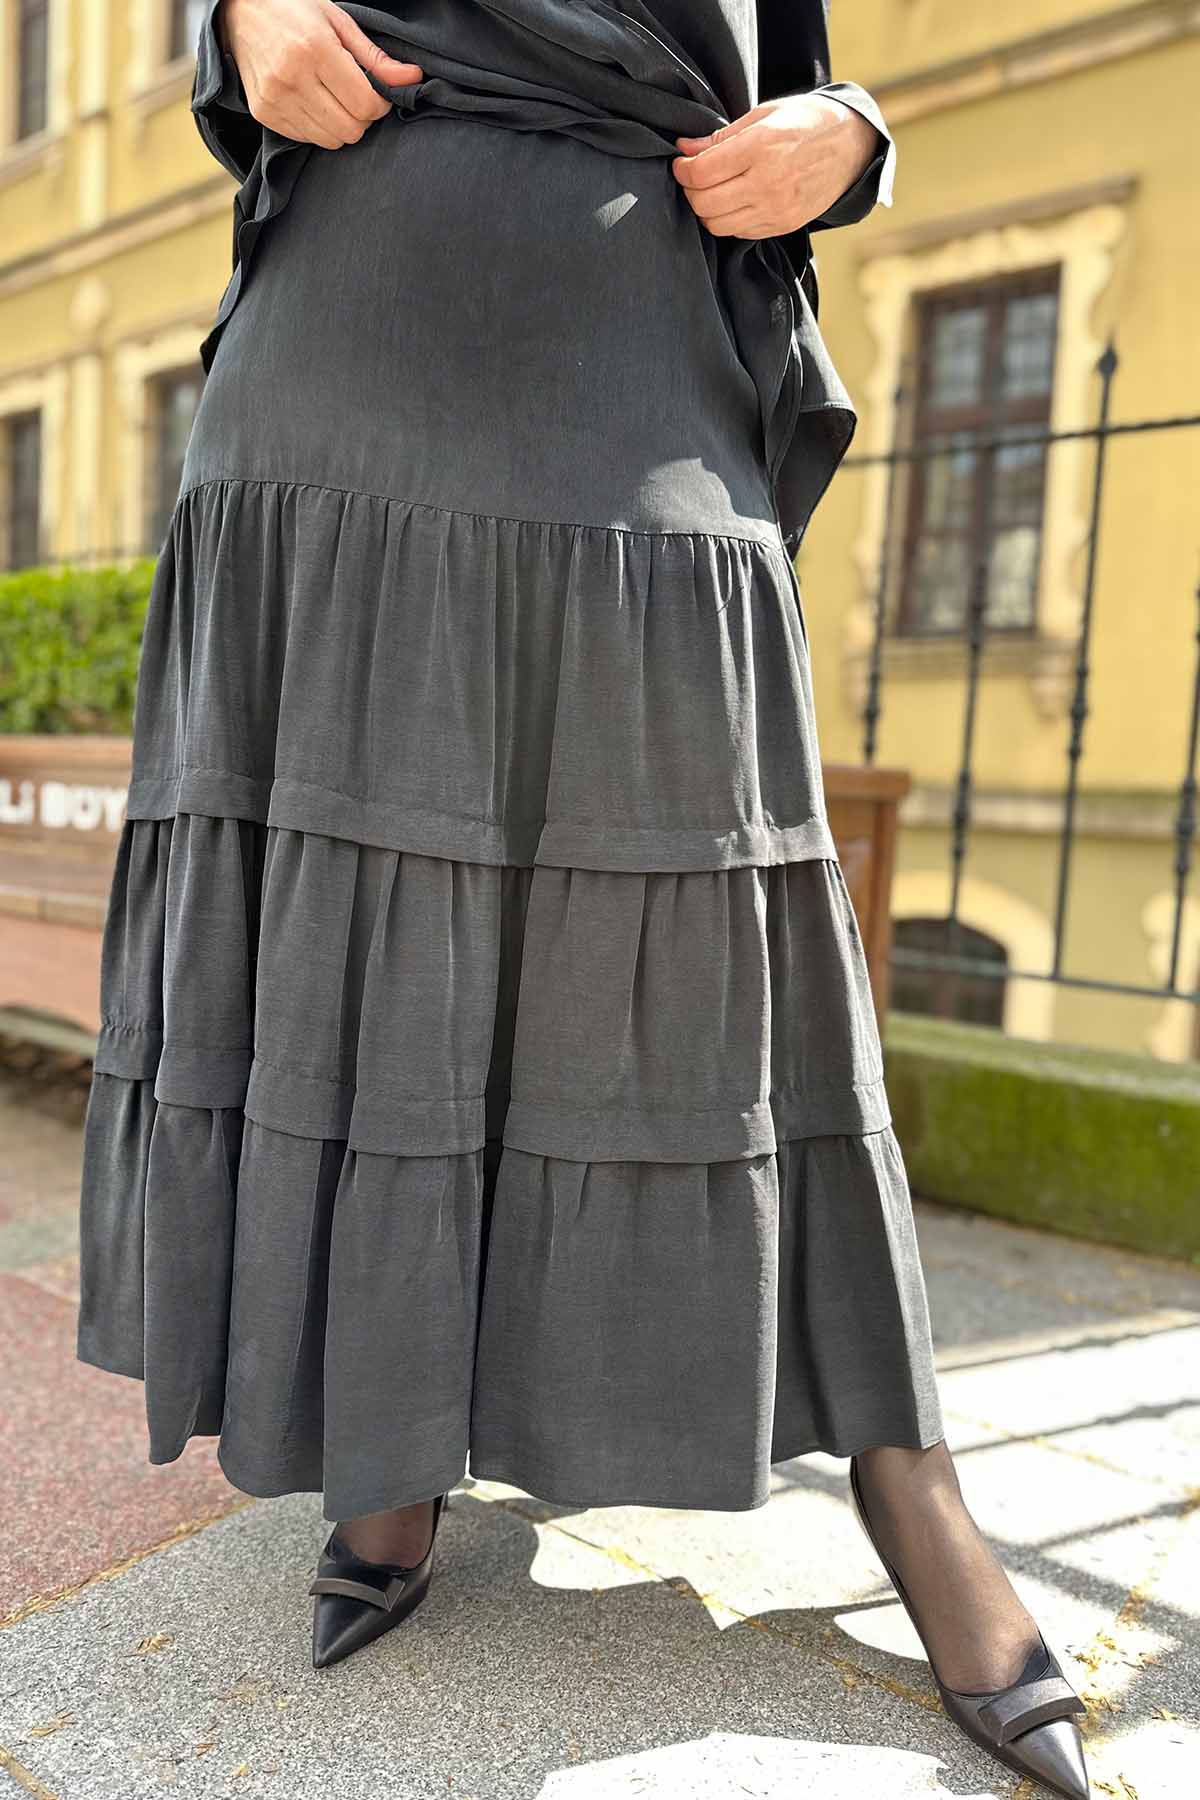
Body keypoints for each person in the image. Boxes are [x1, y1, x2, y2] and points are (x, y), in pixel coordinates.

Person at [75, 3, 1090, 1793]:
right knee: (366, 898)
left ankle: (907, 1480)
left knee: (725, 939)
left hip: (641, 348)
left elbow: (791, 56)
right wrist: (233, 18)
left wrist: (854, 130)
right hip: (339, 354)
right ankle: (387, 1442)